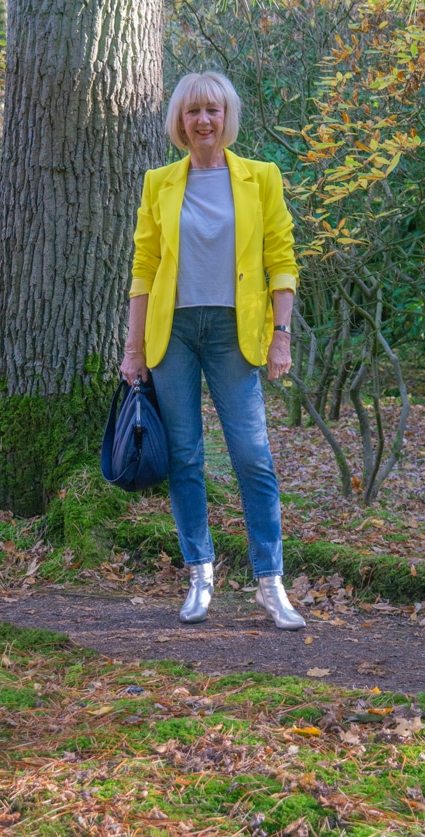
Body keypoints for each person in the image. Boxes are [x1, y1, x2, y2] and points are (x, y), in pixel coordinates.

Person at [120, 71, 305, 631]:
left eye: (213, 111)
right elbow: (144, 268)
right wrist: (133, 350)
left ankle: (270, 582)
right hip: (170, 332)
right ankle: (199, 573)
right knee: (185, 456)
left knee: (253, 456)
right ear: (180, 121)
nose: (203, 120)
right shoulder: (159, 183)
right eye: (193, 111)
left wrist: (281, 333)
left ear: (228, 118)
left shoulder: (260, 178)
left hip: (234, 332)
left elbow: (283, 258)